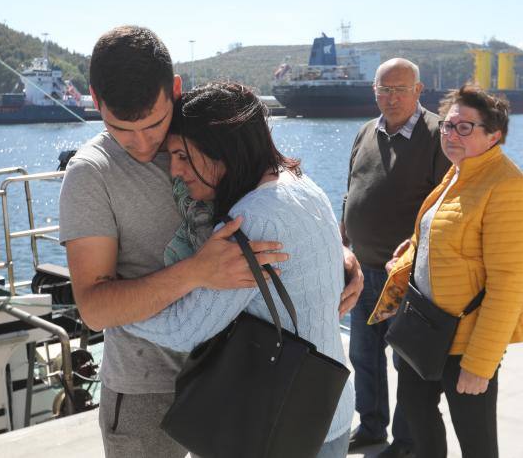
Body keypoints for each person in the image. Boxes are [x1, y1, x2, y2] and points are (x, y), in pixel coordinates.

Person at [59, 26, 303, 457]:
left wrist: (341, 256)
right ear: (96, 102)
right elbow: (94, 308)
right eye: (120, 129)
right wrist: (195, 271)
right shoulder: (90, 174)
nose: (142, 143)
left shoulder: (209, 129)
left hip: (231, 371)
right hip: (144, 394)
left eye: (154, 125)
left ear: (175, 89)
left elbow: (278, 191)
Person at [124, 82, 354, 456]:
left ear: (223, 148)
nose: (175, 171)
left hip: (279, 427)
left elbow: (184, 330)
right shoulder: (300, 183)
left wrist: (107, 308)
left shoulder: (250, 221)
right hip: (328, 410)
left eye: (183, 155)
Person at [369, 84, 523, 458]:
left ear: (494, 135)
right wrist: (407, 256)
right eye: (448, 125)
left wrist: (480, 364)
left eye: (465, 127)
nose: (451, 135)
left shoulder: (508, 188)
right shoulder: (458, 173)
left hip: (466, 340)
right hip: (425, 329)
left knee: (476, 441)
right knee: (417, 415)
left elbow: (509, 285)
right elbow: (438, 233)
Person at [342, 58, 450, 457]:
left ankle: (406, 443)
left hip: (408, 277)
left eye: (399, 89)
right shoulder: (365, 132)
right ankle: (371, 427)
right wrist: (343, 238)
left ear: (419, 91)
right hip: (363, 269)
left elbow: (445, 207)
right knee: (364, 355)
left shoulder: (438, 133)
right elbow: (350, 190)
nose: (390, 97)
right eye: (383, 89)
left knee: (407, 363)